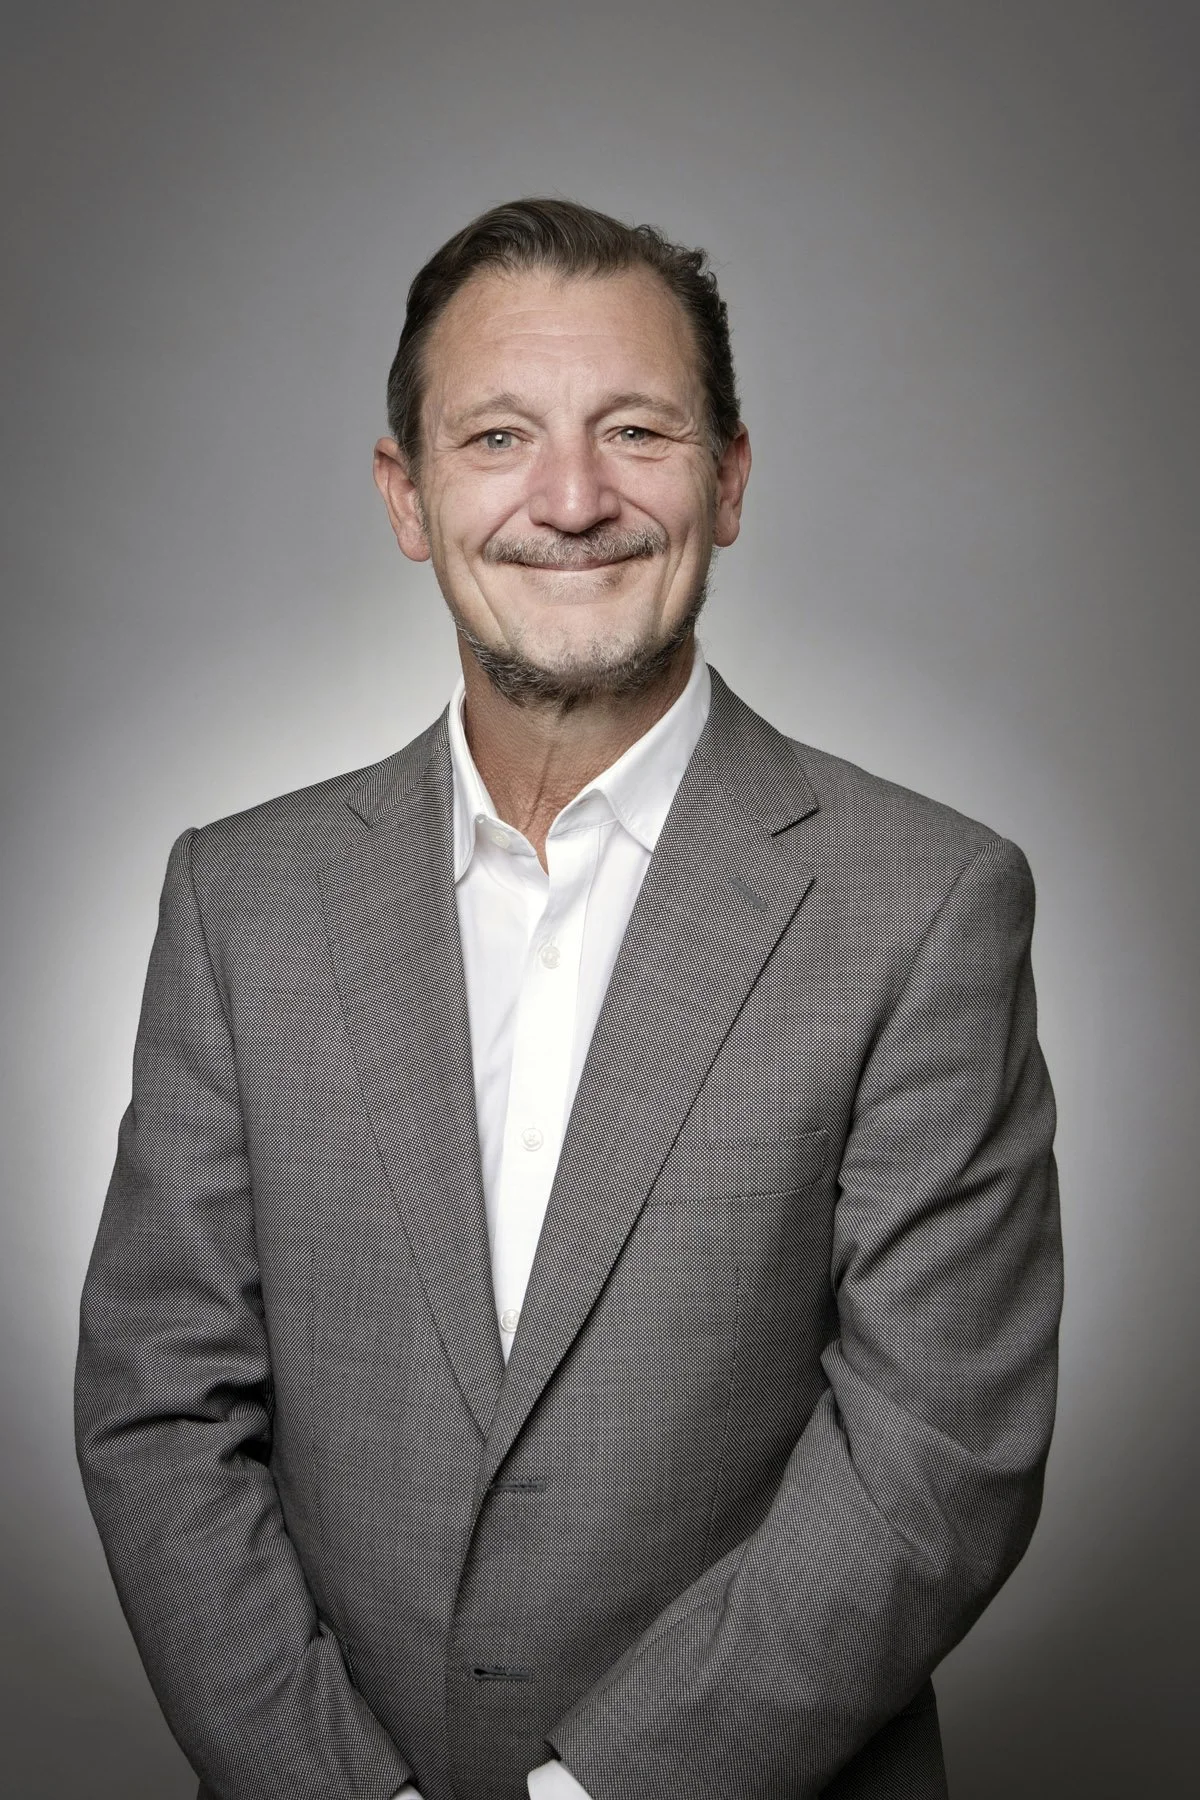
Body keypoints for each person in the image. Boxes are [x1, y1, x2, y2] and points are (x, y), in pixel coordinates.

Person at [75, 198, 1062, 1800]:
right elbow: (157, 1411)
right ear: (407, 494)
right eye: (497, 436)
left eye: (638, 431)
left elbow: (933, 1462)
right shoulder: (236, 902)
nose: (574, 499)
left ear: (729, 480)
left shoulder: (929, 902)